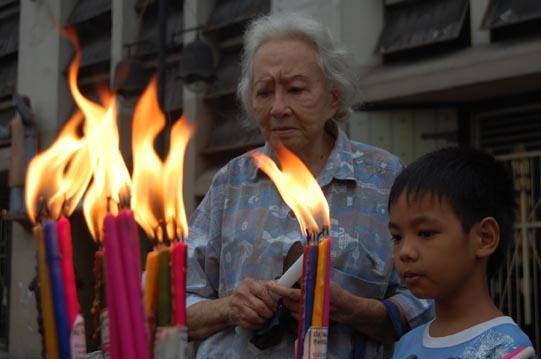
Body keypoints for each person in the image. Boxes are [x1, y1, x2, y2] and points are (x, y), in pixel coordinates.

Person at [186, 13, 431, 358]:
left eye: (296, 89)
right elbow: (171, 305)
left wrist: (350, 309)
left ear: (334, 97)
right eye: (264, 92)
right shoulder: (230, 183)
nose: (278, 108)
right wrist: (229, 307)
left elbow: (427, 301)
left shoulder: (385, 178)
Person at [389, 147, 538, 359]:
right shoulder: (406, 345)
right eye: (397, 237)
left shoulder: (508, 351)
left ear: (484, 238)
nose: (404, 252)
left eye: (425, 233)